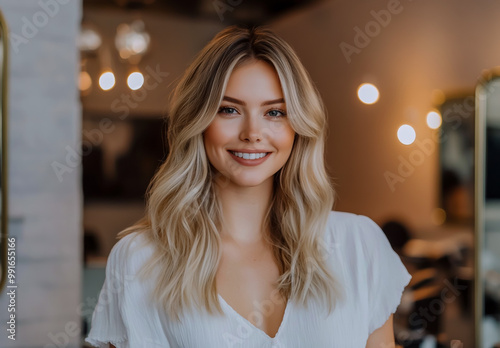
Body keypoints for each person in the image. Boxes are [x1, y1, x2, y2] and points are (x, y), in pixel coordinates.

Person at [85, 25, 412, 348]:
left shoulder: (358, 245)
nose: (253, 132)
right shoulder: (141, 260)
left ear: (297, 126)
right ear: (198, 122)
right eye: (229, 109)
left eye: (275, 112)